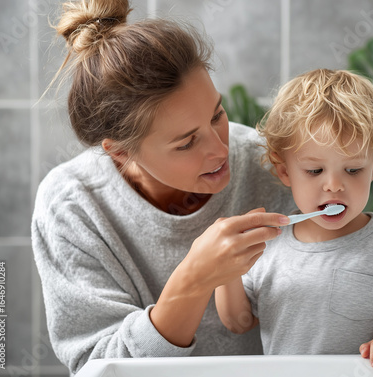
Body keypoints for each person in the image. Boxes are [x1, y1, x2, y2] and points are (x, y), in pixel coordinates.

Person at [31, 0, 296, 374]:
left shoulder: (267, 165)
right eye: (187, 142)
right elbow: (96, 366)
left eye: (217, 115)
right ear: (120, 153)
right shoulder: (72, 207)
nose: (221, 150)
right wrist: (194, 279)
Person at [215, 69, 373, 376]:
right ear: (284, 172)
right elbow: (239, 323)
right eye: (314, 171)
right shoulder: (267, 244)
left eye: (353, 171)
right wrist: (225, 271)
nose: (334, 185)